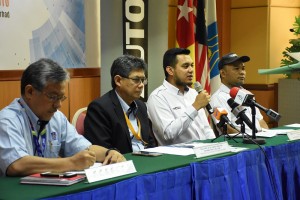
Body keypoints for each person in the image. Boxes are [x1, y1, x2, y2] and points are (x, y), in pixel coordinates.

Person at [0, 58, 125, 177]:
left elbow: (84, 148)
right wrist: (70, 163)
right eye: (53, 97)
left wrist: (109, 153)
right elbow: (16, 165)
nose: (58, 105)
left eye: (61, 98)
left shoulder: (56, 118)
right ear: (30, 92)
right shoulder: (7, 120)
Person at [84, 55, 156, 154]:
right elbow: (103, 149)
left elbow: (150, 142)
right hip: (121, 163)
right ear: (118, 80)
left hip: (147, 160)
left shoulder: (141, 106)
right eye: (136, 79)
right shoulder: (100, 108)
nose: (141, 85)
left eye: (143, 80)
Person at [147, 48, 215, 146]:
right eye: (185, 66)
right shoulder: (157, 97)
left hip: (204, 152)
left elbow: (205, 128)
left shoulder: (194, 93)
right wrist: (195, 107)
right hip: (178, 157)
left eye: (192, 65)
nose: (191, 70)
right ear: (170, 70)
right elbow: (168, 133)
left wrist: (215, 147)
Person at [210, 52, 269, 134]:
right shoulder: (217, 98)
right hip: (240, 143)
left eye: (243, 68)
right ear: (223, 73)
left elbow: (260, 121)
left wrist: (267, 135)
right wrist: (248, 139)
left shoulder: (247, 94)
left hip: (259, 139)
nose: (242, 72)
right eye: (236, 69)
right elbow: (227, 128)